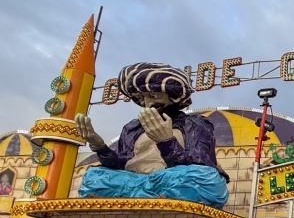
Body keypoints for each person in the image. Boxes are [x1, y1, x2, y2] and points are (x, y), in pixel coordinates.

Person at [75, 63, 229, 209]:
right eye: (142, 98)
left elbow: (199, 166)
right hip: (134, 182)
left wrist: (166, 142)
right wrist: (99, 147)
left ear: (173, 96)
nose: (148, 104)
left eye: (153, 96)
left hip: (171, 180)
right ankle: (147, 196)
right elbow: (120, 167)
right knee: (93, 176)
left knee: (206, 178)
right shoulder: (132, 127)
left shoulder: (194, 124)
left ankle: (141, 197)